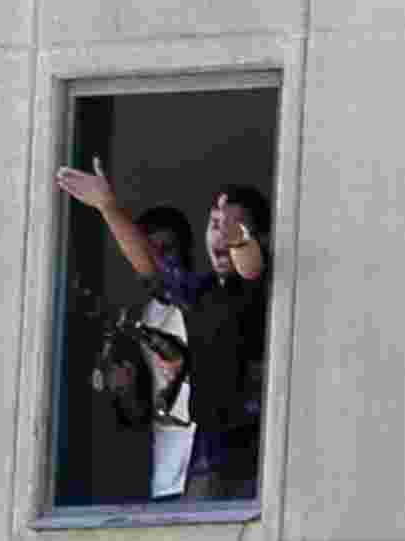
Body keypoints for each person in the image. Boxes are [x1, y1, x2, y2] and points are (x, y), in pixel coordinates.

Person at [56, 159, 269, 500]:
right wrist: (108, 208)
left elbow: (253, 267)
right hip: (209, 459)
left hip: (261, 458)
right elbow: (152, 268)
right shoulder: (201, 293)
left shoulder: (265, 291)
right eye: (215, 225)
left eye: (235, 226)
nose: (222, 234)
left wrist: (238, 239)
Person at [105, 206, 199, 501]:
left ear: (188, 252)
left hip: (212, 473)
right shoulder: (140, 321)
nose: (157, 261)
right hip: (168, 480)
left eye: (167, 250)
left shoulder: (206, 303)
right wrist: (123, 389)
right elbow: (138, 415)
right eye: (148, 251)